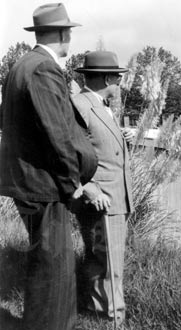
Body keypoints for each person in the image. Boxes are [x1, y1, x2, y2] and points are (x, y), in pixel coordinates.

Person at [0, 3, 98, 330]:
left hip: (29, 183)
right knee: (55, 272)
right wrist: (73, 184)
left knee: (46, 266)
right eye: (68, 30)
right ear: (59, 33)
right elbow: (56, 133)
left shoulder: (21, 66)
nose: (70, 35)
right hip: (43, 187)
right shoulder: (43, 68)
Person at [71, 51, 133, 326]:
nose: (119, 86)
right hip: (103, 199)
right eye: (117, 80)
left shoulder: (99, 104)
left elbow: (96, 145)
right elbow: (67, 154)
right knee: (110, 265)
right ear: (107, 78)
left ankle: (99, 316)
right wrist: (88, 187)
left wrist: (122, 138)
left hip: (113, 198)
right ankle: (113, 320)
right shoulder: (80, 105)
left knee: (102, 260)